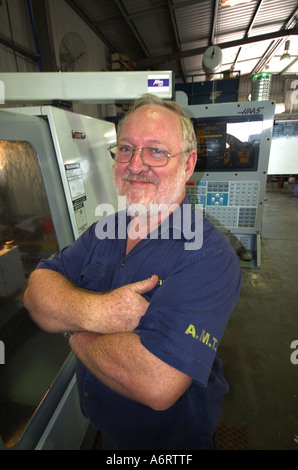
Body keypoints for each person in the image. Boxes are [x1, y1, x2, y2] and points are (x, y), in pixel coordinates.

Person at [24, 94, 241, 450]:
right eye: (125, 149)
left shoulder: (209, 257)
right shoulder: (103, 232)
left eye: (156, 151)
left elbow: (156, 384)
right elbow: (36, 291)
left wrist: (71, 326)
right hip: (103, 431)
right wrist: (100, 312)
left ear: (188, 166)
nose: (136, 165)